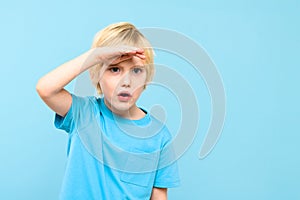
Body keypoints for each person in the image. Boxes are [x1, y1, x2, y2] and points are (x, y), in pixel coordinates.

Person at [36, 22, 180, 200]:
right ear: (95, 75)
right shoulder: (83, 113)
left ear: (146, 78)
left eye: (136, 70)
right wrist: (96, 56)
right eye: (115, 69)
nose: (126, 81)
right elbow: (46, 89)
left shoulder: (159, 136)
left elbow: (158, 195)